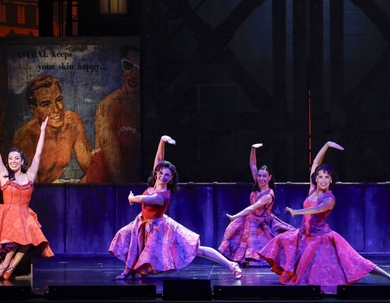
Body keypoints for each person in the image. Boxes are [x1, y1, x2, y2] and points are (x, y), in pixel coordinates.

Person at [258, 141, 390, 286]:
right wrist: (326, 145)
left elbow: (317, 209)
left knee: (356, 260)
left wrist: (297, 212)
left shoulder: (329, 198)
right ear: (316, 178)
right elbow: (315, 163)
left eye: (326, 177)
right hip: (303, 236)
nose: (323, 180)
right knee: (280, 241)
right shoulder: (312, 190)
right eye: (320, 177)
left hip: (321, 238)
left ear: (330, 180)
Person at [108, 135, 243, 280]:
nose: (163, 176)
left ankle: (231, 265)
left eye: (167, 175)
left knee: (198, 250)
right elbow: (159, 159)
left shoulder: (162, 195)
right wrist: (162, 140)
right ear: (156, 173)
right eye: (161, 173)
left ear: (171, 178)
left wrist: (131, 198)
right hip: (142, 222)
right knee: (130, 240)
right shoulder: (155, 183)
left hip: (160, 228)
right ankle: (128, 270)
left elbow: (144, 199)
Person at [0, 115, 54, 280]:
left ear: (22, 161)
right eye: (10, 158)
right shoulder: (4, 176)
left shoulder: (29, 176)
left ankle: (11, 264)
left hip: (24, 214)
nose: (13, 161)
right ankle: (5, 264)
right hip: (8, 216)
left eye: (16, 158)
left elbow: (38, 154)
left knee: (31, 230)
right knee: (22, 228)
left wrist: (42, 131)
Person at [218, 143, 294, 266]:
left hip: (261, 223)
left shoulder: (268, 195)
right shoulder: (258, 183)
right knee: (239, 236)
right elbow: (253, 164)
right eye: (259, 175)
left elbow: (253, 207)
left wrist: (235, 216)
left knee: (257, 245)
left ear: (269, 177)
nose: (261, 178)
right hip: (249, 219)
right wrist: (253, 149)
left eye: (264, 176)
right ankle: (244, 262)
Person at [12, 74, 92, 183]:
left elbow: (92, 171)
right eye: (46, 105)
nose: (56, 109)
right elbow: (30, 187)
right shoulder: (26, 138)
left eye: (59, 100)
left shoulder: (73, 123)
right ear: (34, 111)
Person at [86, 45, 141, 183]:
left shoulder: (144, 105)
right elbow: (115, 173)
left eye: (140, 69)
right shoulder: (109, 107)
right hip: (103, 183)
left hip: (128, 177)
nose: (133, 74)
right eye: (128, 66)